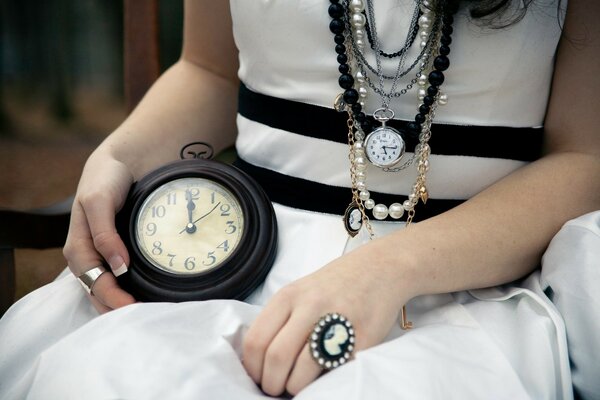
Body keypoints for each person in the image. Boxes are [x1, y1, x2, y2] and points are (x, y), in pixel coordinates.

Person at [1, 0, 599, 399]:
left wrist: (389, 269)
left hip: (466, 278)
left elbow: (585, 156)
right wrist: (118, 159)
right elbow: (210, 69)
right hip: (230, 254)